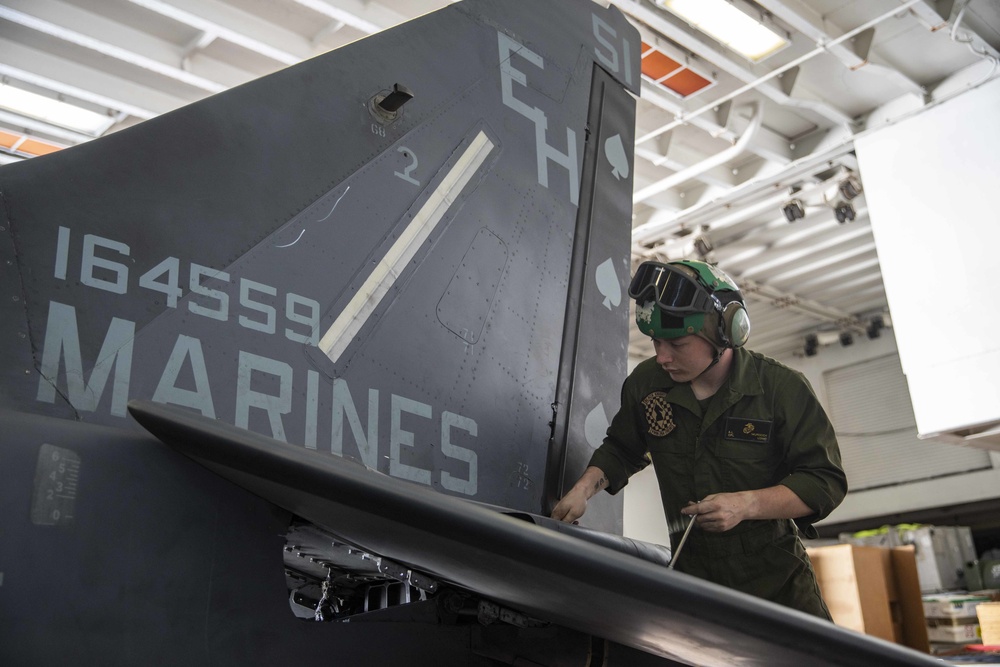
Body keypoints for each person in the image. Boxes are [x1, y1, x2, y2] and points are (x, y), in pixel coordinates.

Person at [551, 259, 847, 619]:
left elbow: (823, 481)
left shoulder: (780, 390)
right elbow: (622, 448)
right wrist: (582, 490)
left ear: (726, 333)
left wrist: (745, 505)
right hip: (693, 584)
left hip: (776, 585)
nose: (662, 357)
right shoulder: (647, 385)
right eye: (656, 342)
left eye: (676, 343)